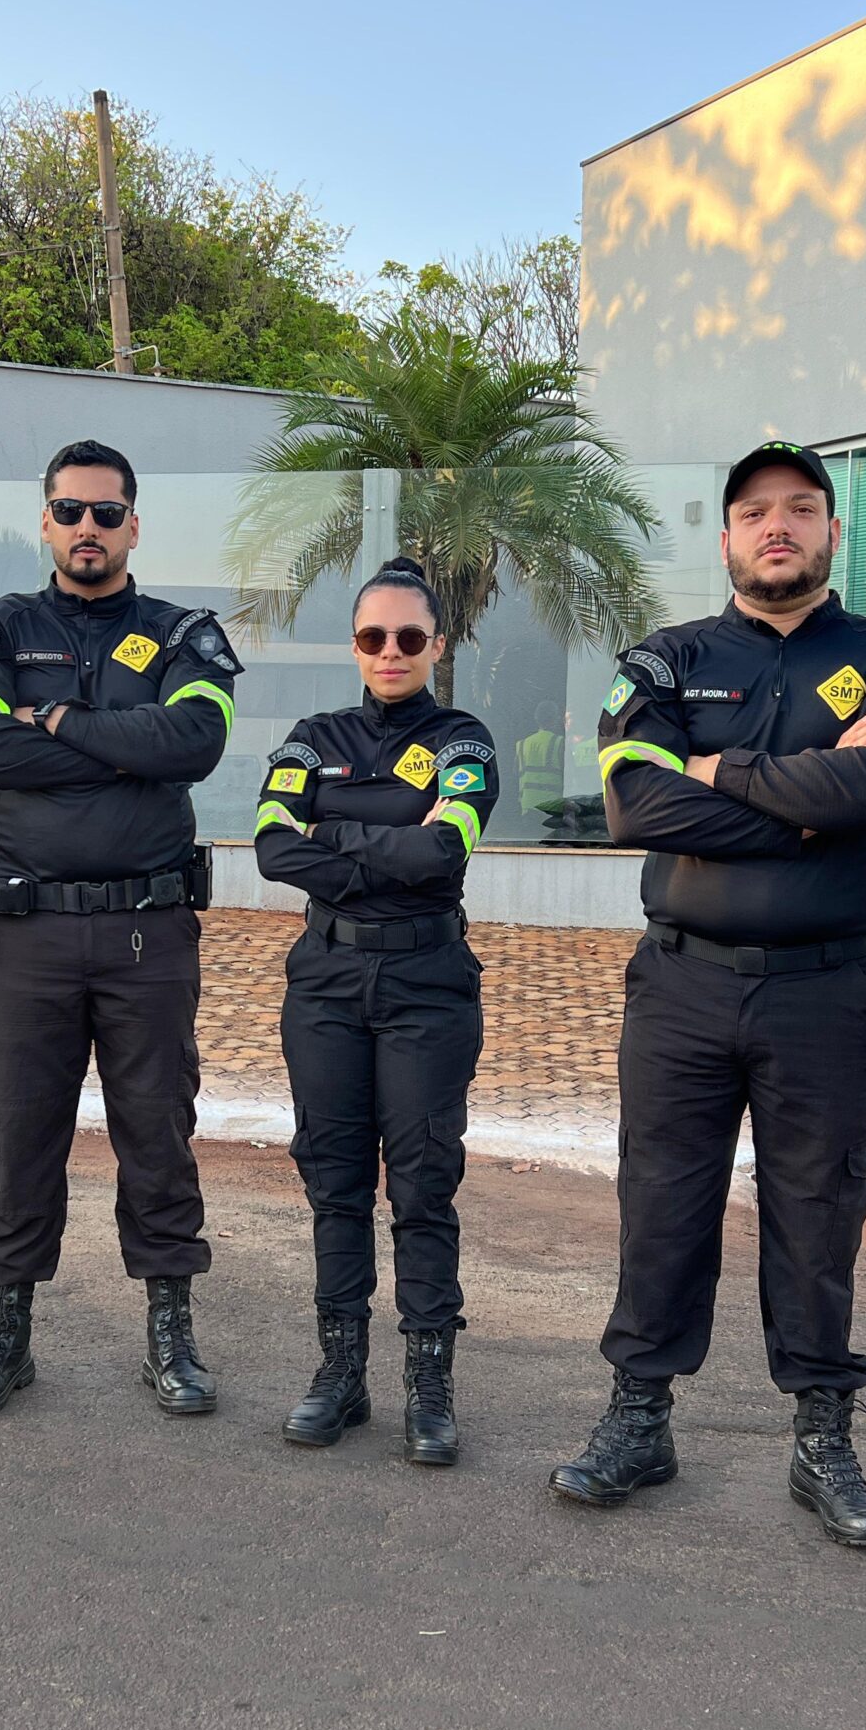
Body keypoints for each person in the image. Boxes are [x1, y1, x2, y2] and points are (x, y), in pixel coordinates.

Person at [547, 440, 866, 1547]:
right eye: (756, 511)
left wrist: (714, 769)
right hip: (681, 983)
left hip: (825, 991)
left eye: (801, 509)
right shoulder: (663, 660)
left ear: (832, 532)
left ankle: (822, 1438)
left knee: (819, 1211)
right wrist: (811, 804)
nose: (779, 526)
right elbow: (635, 808)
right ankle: (639, 1419)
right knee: (660, 1203)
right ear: (726, 538)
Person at [0, 439, 239, 1419]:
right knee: (22, 1128)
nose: (87, 528)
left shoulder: (183, 632)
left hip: (150, 930)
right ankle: (6, 1332)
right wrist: (124, 750)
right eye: (69, 511)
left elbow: (194, 740)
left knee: (159, 1130)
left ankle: (170, 1331)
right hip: (29, 935)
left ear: (133, 525)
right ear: (46, 522)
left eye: (106, 513)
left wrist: (55, 724)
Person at [253, 557, 500, 1465]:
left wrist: (330, 834)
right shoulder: (312, 737)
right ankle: (341, 1374)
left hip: (426, 982)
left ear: (437, 645)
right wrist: (389, 842)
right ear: (354, 646)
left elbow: (443, 854)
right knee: (335, 1179)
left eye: (408, 637)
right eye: (372, 636)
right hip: (325, 981)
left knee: (424, 1184)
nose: (389, 651)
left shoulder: (465, 739)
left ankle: (429, 1388)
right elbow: (271, 848)